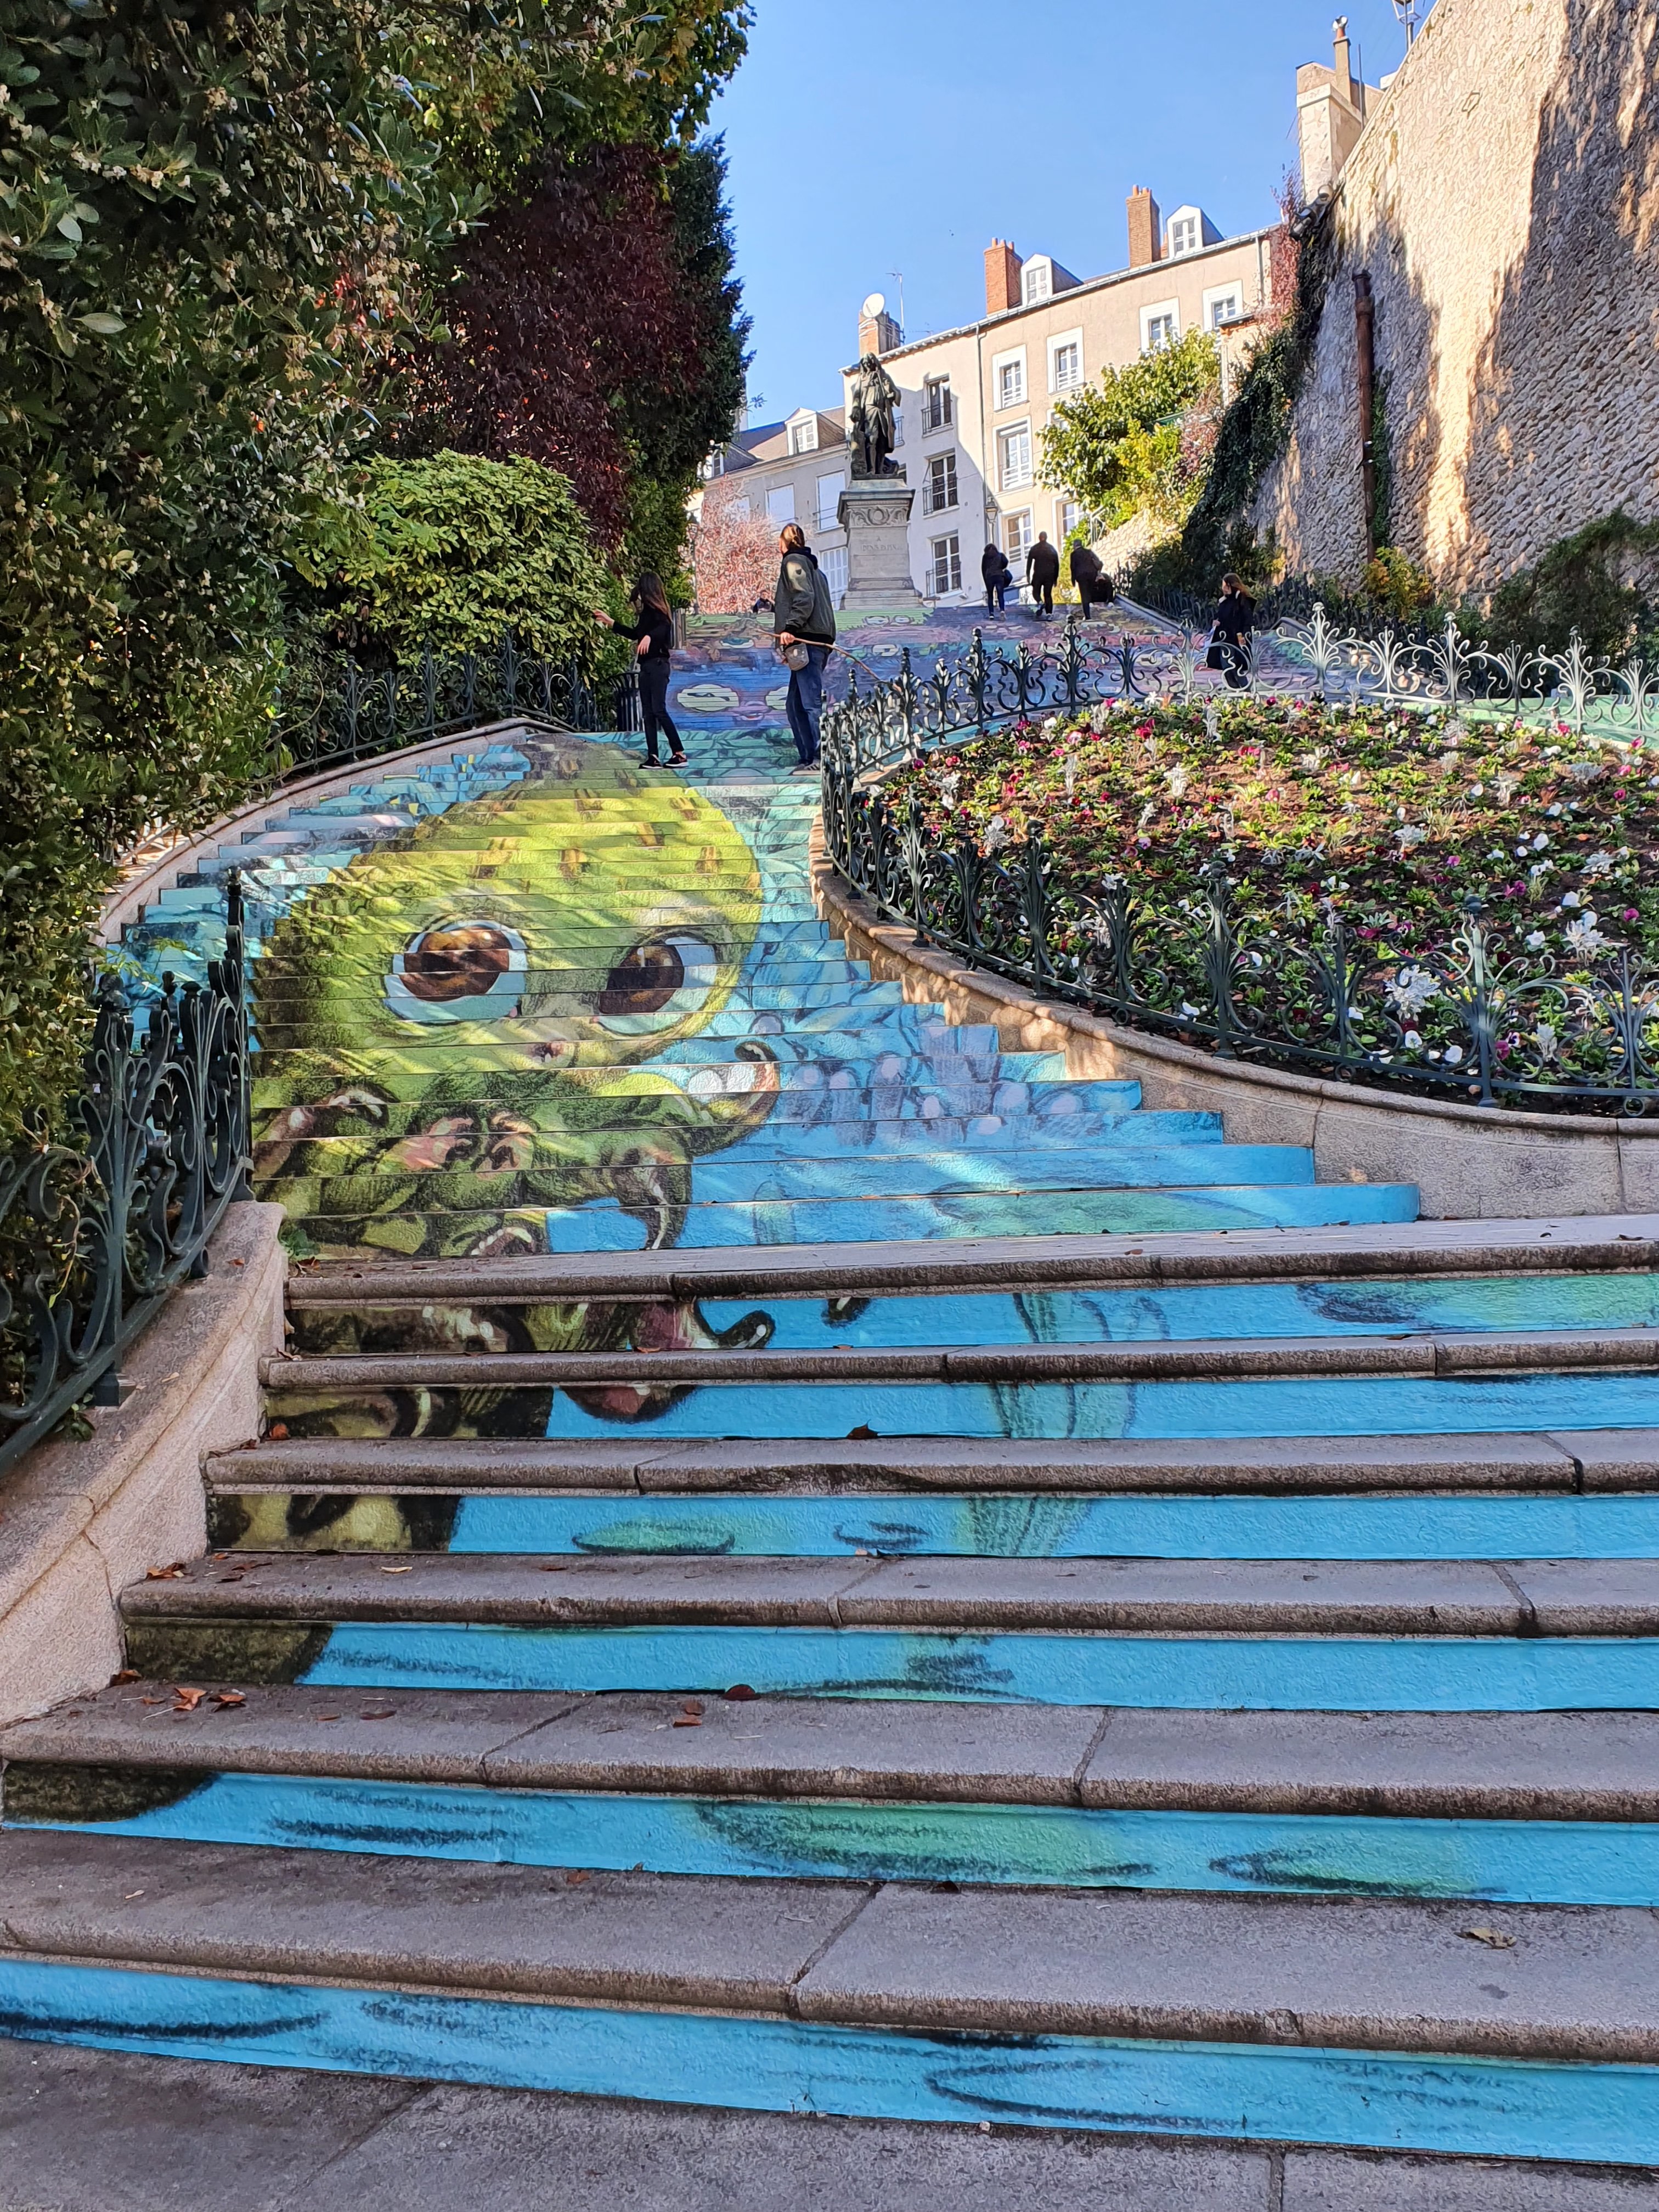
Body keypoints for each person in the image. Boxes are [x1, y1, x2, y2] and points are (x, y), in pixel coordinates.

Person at [594, 574, 686, 765]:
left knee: (659, 709)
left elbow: (665, 626)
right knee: (648, 713)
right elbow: (635, 634)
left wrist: (650, 637)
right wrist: (611, 622)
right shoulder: (646, 614)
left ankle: (679, 753)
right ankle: (653, 757)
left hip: (659, 665)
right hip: (646, 667)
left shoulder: (659, 611)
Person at [772, 521, 837, 771]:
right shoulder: (817, 571)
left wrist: (790, 628)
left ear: (785, 542)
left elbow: (803, 597)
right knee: (795, 705)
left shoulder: (793, 562)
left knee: (809, 704)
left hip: (807, 642)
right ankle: (808, 758)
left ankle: (818, 758)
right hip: (811, 643)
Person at [1211, 572, 1257, 689]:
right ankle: (1236, 689)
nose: (1223, 588)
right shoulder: (1224, 601)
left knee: (1237, 666)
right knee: (1227, 666)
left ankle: (1245, 689)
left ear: (1231, 585)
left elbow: (1247, 619)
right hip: (1225, 637)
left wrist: (1244, 635)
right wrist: (1217, 622)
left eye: (1225, 585)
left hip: (1237, 638)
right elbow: (1222, 617)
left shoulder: (1242, 600)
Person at [1069, 539, 1113, 620]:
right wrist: (1097, 572)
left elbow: (1073, 567)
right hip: (1092, 574)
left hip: (1081, 576)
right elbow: (1098, 562)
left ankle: (1087, 616)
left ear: (1074, 546)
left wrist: (1073, 580)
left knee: (1084, 595)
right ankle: (1091, 604)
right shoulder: (1089, 552)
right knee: (1090, 590)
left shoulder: (1074, 554)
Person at [1026, 530, 1060, 617]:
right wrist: (1055, 578)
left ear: (1039, 538)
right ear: (1047, 538)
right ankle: (1049, 614)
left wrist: (1028, 575)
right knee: (1048, 595)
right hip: (1050, 575)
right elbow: (1057, 565)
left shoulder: (1035, 549)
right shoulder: (1052, 549)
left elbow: (1029, 563)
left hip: (1038, 574)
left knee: (1035, 592)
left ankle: (1040, 602)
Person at [981, 541, 1013, 614]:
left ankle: (991, 614)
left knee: (990, 596)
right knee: (1000, 595)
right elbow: (1006, 562)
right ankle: (1002, 610)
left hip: (990, 578)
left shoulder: (985, 557)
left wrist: (986, 580)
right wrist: (1001, 568)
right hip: (999, 577)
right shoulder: (1000, 555)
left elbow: (983, 569)